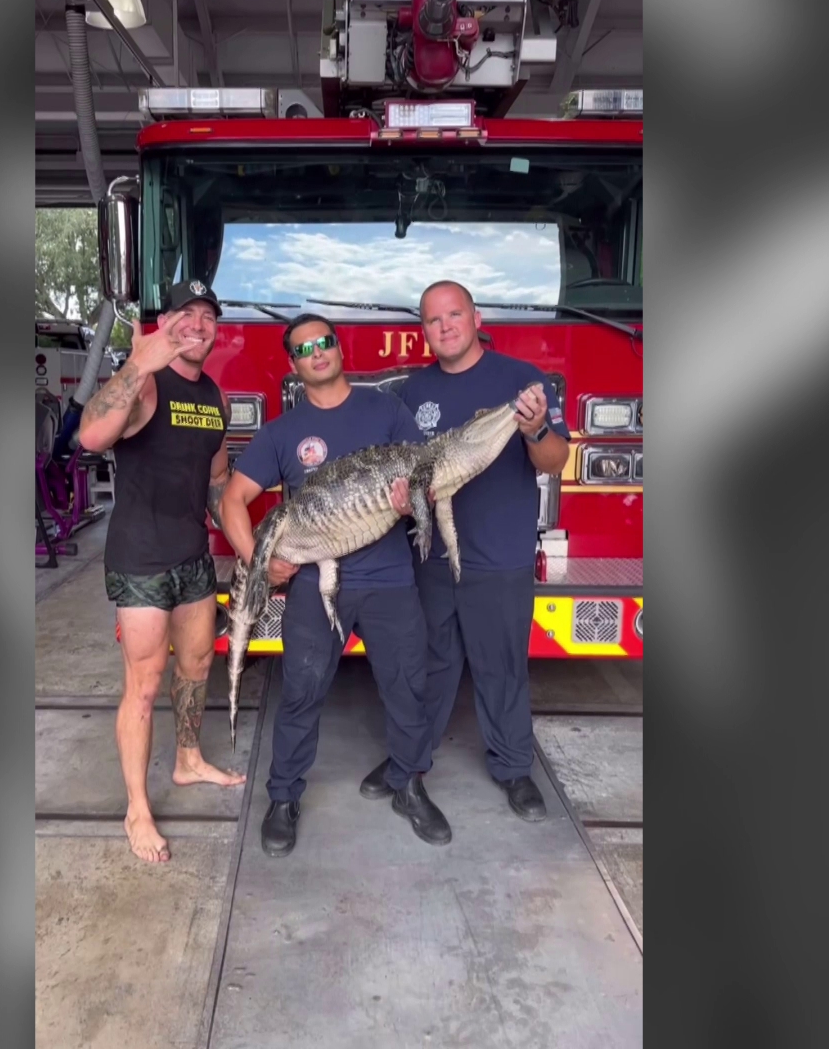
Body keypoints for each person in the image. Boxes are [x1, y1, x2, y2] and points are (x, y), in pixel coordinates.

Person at [217, 314, 449, 856]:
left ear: (338, 348)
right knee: (300, 693)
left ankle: (409, 785)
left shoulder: (387, 410)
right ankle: (283, 797)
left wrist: (414, 496)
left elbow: (426, 478)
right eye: (304, 349)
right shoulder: (281, 432)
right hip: (317, 587)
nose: (317, 353)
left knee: (409, 690)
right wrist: (260, 559)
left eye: (324, 342)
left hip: (391, 579)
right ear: (293, 365)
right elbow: (232, 500)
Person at [384, 280, 570, 820]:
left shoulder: (520, 382)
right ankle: (409, 762)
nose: (444, 326)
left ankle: (514, 770)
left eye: (454, 315)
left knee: (502, 667)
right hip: (432, 558)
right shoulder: (412, 392)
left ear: (476, 317)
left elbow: (554, 461)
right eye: (433, 320)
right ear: (423, 331)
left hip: (499, 556)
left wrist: (535, 430)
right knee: (427, 666)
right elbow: (406, 472)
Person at [78, 281, 247, 864]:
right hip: (141, 561)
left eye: (208, 317)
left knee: (198, 665)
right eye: (186, 315)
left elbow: (217, 476)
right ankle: (136, 810)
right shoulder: (144, 384)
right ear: (167, 322)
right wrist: (134, 364)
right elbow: (92, 434)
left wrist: (249, 537)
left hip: (193, 557)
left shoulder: (217, 398)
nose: (198, 325)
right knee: (144, 687)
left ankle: (188, 759)